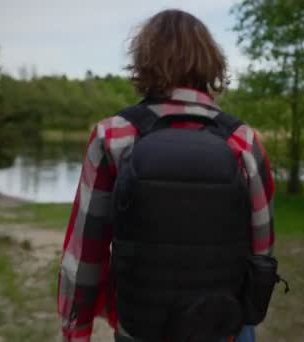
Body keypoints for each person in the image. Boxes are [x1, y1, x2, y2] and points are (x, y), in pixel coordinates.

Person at [58, 9, 276, 342]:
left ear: (143, 61)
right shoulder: (244, 141)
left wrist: (77, 331)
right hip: (220, 325)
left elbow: (86, 252)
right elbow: (261, 249)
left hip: (139, 326)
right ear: (211, 62)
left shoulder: (113, 135)